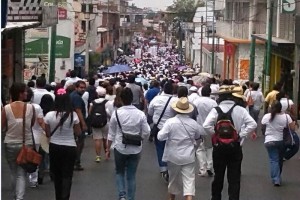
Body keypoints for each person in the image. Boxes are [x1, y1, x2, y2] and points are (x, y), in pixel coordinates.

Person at [203, 85, 257, 200]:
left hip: (219, 148)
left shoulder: (215, 110)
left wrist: (216, 134)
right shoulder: (240, 110)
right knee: (234, 178)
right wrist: (240, 134)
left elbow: (206, 125)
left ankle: (216, 197)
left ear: (220, 97)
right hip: (235, 147)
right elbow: (253, 124)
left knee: (218, 176)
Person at [105, 88, 150, 200]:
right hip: (136, 148)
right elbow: (147, 131)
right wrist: (140, 138)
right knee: (131, 175)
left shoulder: (116, 113)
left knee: (119, 172)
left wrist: (107, 148)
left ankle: (122, 195)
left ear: (121, 99)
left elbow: (111, 133)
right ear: (132, 99)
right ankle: (130, 198)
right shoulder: (140, 114)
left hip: (120, 146)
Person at [157, 97, 202, 200]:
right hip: (188, 155)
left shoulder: (170, 122)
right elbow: (198, 138)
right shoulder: (194, 123)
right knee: (189, 182)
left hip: (173, 155)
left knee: (173, 181)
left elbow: (160, 137)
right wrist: (194, 148)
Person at [44, 88, 81, 200]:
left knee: (57, 174)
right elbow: (78, 132)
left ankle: (58, 196)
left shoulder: (50, 115)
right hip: (70, 146)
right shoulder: (73, 115)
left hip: (54, 146)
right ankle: (65, 197)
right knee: (67, 175)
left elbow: (47, 133)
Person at [2, 83, 36, 200]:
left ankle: (14, 194)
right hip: (26, 143)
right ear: (20, 94)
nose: (27, 93)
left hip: (10, 142)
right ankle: (19, 197)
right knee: (21, 173)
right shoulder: (30, 107)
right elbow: (32, 124)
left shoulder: (6, 108)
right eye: (25, 91)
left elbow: (2, 126)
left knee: (13, 171)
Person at [148, 81, 177, 183]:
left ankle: (163, 168)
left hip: (159, 127)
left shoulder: (156, 99)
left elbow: (150, 112)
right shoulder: (176, 100)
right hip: (172, 128)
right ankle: (170, 167)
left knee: (160, 147)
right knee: (171, 147)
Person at [261, 101, 295, 186]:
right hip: (281, 141)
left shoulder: (266, 116)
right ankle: (277, 176)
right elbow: (292, 128)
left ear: (271, 107)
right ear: (281, 108)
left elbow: (262, 128)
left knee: (273, 160)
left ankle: (276, 179)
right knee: (279, 159)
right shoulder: (286, 116)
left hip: (269, 141)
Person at [193, 85, 218, 177]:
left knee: (200, 149)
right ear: (209, 93)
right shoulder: (213, 103)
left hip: (198, 127)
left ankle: (202, 169)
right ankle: (209, 167)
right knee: (209, 147)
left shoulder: (196, 102)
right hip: (210, 128)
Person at [24, 88, 45, 188]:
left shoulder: (15, 106)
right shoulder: (36, 107)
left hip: (20, 135)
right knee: (33, 158)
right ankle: (33, 180)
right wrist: (47, 132)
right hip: (35, 136)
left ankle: (21, 178)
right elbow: (41, 122)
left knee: (20, 158)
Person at [69, 80, 87, 170]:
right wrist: (83, 123)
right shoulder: (76, 97)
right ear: (76, 88)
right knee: (79, 143)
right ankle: (76, 162)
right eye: (81, 87)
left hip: (73, 122)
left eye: (84, 88)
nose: (83, 89)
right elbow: (78, 110)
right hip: (77, 123)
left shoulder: (73, 95)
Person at [89, 87, 110, 162]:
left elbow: (90, 112)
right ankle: (107, 154)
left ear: (97, 94)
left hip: (95, 122)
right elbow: (109, 113)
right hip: (106, 122)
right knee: (105, 139)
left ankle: (98, 156)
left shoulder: (93, 102)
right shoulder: (107, 102)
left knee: (98, 139)